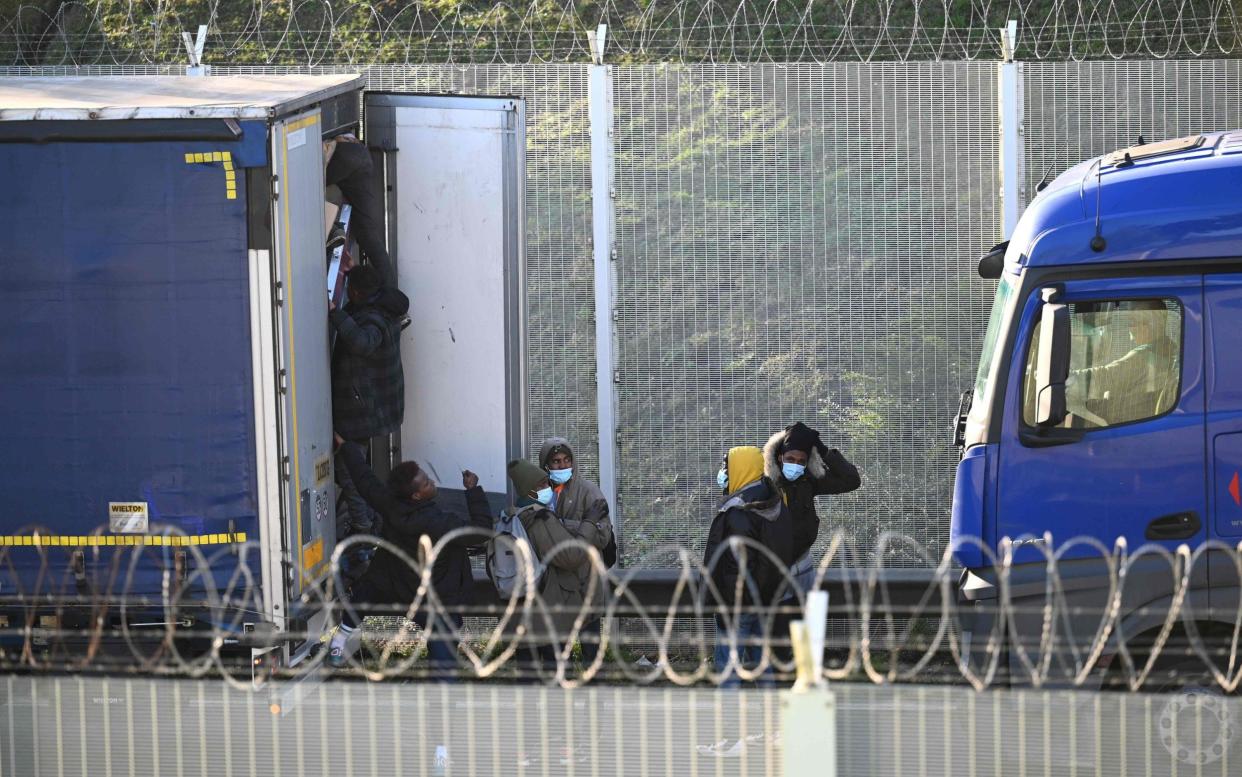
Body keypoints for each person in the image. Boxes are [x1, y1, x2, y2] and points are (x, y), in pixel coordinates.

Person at [327, 439, 493, 673]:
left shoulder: (389, 504)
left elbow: (365, 480)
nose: (432, 481)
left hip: (398, 587)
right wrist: (473, 490)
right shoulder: (439, 523)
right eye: (426, 482)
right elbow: (482, 530)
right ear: (417, 496)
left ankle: (339, 642)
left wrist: (346, 446)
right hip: (434, 600)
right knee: (442, 655)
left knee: (366, 592)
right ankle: (441, 696)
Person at [762, 421, 861, 661]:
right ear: (779, 456)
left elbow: (851, 480)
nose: (795, 465)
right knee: (776, 625)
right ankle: (776, 667)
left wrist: (824, 451)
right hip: (772, 566)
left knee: (804, 621)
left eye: (801, 461)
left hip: (802, 563)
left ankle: (803, 668)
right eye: (790, 459)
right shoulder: (765, 482)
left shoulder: (808, 481)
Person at [507, 458, 612, 677]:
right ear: (532, 490)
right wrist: (589, 522)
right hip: (546, 611)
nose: (548, 488)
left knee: (529, 676)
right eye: (543, 484)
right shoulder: (539, 518)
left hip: (522, 610)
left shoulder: (511, 517)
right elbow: (571, 556)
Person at [703, 446, 795, 686]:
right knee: (761, 663)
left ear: (740, 468)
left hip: (738, 602)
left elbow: (734, 566)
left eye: (727, 468)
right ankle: (771, 715)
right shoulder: (774, 501)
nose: (724, 473)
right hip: (765, 598)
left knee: (729, 667)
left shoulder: (739, 511)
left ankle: (729, 717)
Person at [538, 437, 616, 663]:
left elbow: (603, 535)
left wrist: (561, 525)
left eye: (566, 460)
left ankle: (594, 692)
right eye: (556, 461)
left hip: (586, 580)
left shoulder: (589, 491)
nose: (562, 466)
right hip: (556, 583)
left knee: (590, 647)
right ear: (546, 465)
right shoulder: (542, 492)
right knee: (558, 652)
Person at [329, 264, 409, 446]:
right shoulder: (385, 304)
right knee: (354, 456)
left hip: (363, 408)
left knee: (350, 460)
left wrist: (335, 312)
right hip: (372, 404)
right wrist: (355, 271)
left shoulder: (374, 318)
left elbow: (362, 343)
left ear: (356, 293)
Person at [324, 134, 393, 287]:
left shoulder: (358, 161)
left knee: (368, 234)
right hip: (354, 159)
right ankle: (389, 287)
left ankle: (389, 286)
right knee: (368, 235)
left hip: (356, 152)